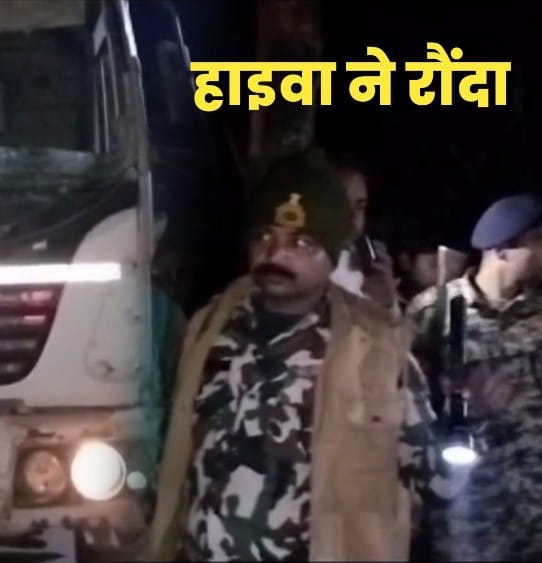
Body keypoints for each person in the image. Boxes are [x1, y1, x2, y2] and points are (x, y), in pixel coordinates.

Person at [146, 149, 448, 561]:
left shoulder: (376, 347)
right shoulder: (209, 327)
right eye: (264, 236)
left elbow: (424, 473)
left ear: (334, 254)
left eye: (301, 243)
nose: (276, 254)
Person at [407, 193, 542, 561]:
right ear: (502, 250)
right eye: (538, 242)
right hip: (471, 516)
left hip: (534, 516)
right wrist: (462, 408)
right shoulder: (433, 313)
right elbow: (402, 412)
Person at [328, 158, 399, 310]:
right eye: (341, 205)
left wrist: (386, 302)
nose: (353, 216)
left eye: (360, 206)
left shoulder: (364, 268)